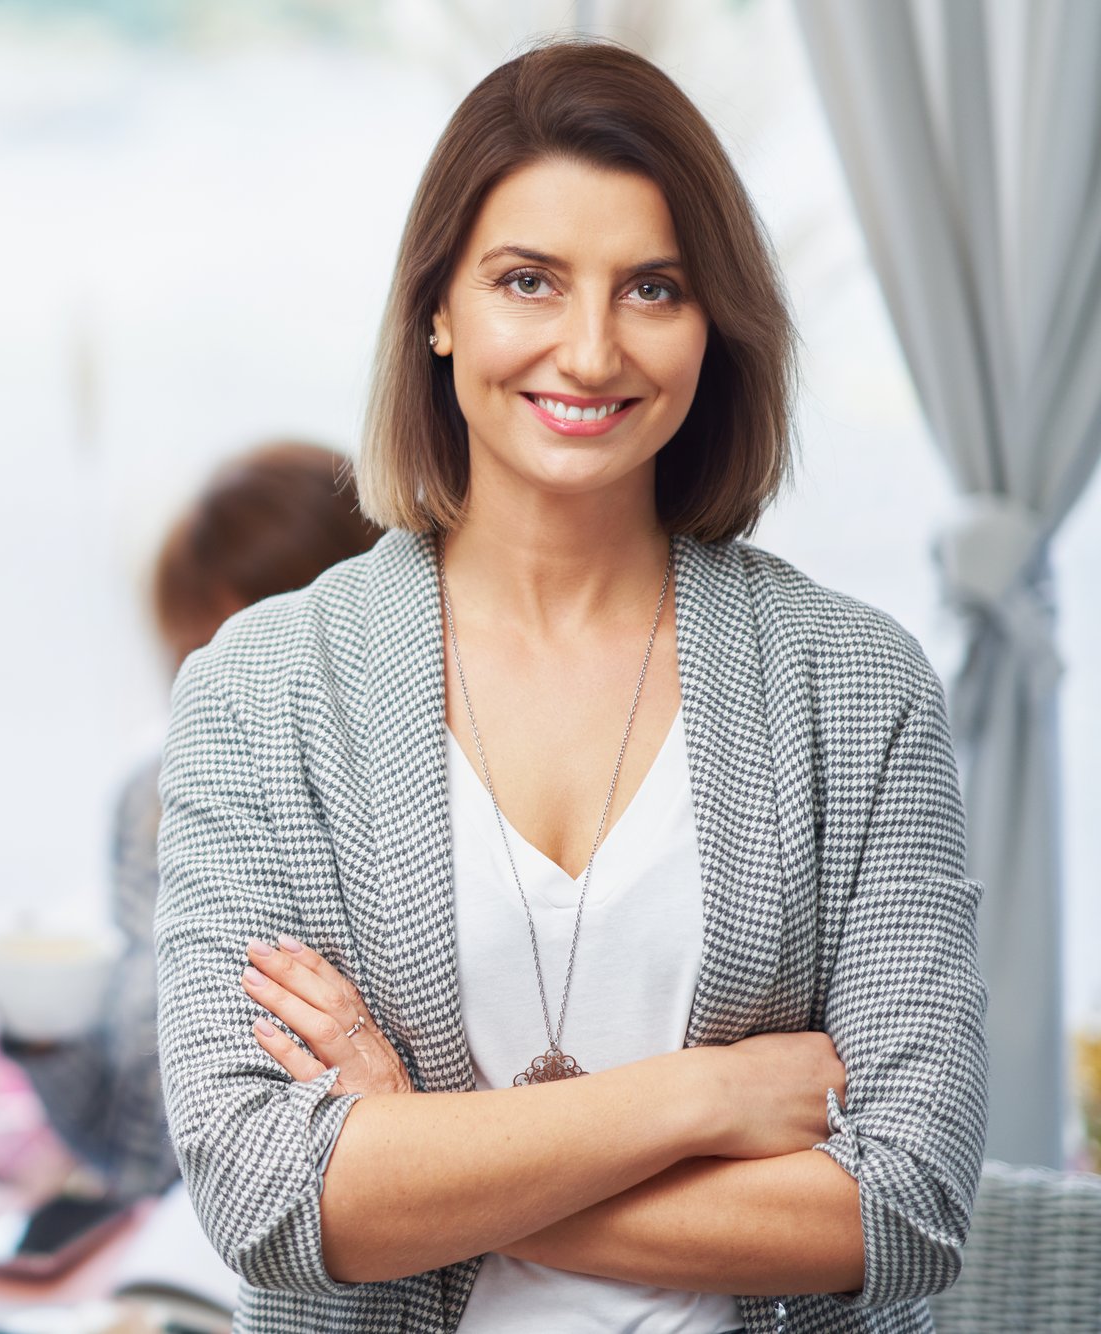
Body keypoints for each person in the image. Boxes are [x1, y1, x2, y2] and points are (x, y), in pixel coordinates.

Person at [156, 39, 986, 1334]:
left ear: (715, 326)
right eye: (529, 281)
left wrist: (413, 1148)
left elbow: (911, 1205)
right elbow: (269, 1198)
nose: (589, 350)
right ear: (439, 308)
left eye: (652, 289)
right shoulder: (263, 692)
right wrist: (698, 1102)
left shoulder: (854, 684)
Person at [2, 441, 380, 1197]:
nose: (218, 690)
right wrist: (44, 1031)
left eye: (250, 650)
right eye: (191, 655)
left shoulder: (409, 813)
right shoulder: (151, 804)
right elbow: (129, 1147)